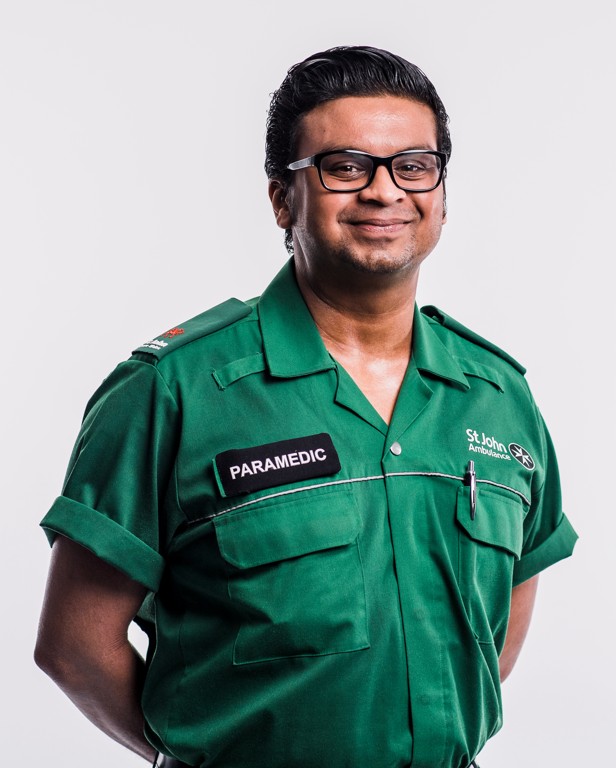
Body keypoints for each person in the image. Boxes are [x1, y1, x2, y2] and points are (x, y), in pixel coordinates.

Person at [35, 46, 578, 768]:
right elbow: (74, 648)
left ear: (442, 193)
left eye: (414, 165)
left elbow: (492, 641)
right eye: (345, 167)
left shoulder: (499, 396)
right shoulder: (174, 392)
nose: (385, 192)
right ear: (282, 197)